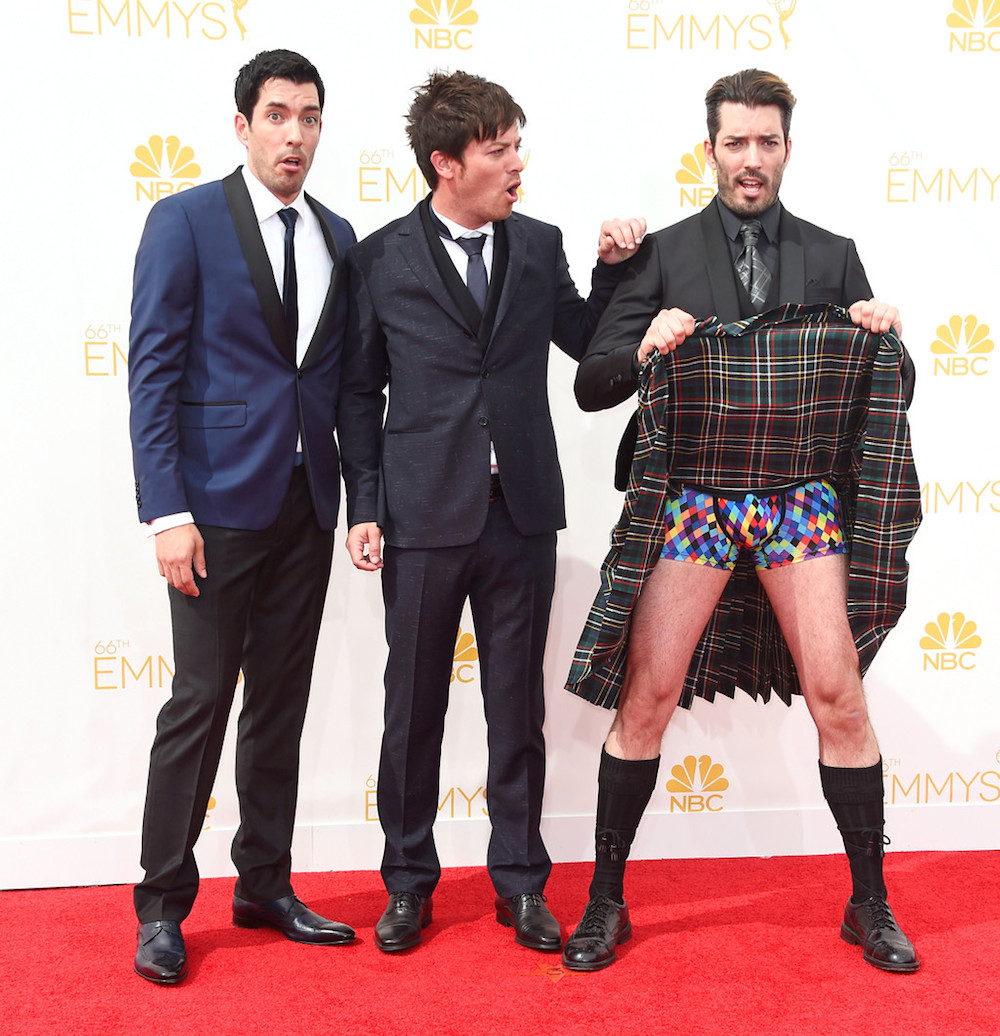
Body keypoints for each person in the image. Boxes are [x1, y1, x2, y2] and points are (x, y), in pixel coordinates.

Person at [560, 68, 921, 974]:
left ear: (787, 149)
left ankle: (867, 903)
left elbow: (895, 388)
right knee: (646, 695)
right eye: (736, 142)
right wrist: (644, 343)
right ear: (709, 149)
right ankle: (606, 901)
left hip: (799, 499)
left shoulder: (835, 254)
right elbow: (593, 382)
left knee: (839, 693)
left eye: (767, 142)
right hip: (697, 499)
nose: (751, 159)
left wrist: (888, 335)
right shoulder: (663, 251)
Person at [337, 71, 645, 955]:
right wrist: (366, 504)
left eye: (519, 144)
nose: (518, 164)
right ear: (445, 163)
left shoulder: (539, 244)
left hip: (522, 516)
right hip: (423, 514)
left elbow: (591, 344)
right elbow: (359, 393)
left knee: (517, 708)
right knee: (413, 709)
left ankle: (521, 882)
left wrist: (616, 268)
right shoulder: (379, 258)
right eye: (499, 150)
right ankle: (407, 881)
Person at [128, 49, 356, 985]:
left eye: (307, 117)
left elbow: (334, 380)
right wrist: (166, 510)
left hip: (305, 507)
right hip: (213, 511)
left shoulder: (339, 233)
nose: (293, 134)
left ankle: (263, 881)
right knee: (199, 705)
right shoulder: (183, 220)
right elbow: (151, 372)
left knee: (280, 708)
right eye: (276, 115)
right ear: (241, 125)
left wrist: (358, 501)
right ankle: (161, 905)